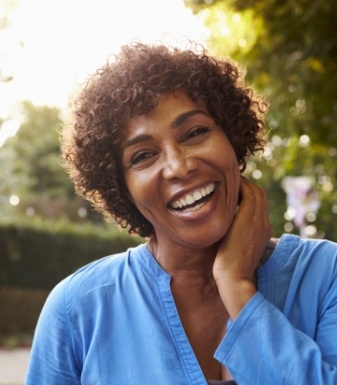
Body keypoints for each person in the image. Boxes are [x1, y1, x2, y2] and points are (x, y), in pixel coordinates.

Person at [25, 41, 337, 385]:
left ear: (233, 138)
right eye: (142, 156)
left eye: (196, 132)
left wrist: (237, 285)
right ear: (121, 187)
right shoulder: (77, 309)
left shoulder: (325, 275)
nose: (179, 166)